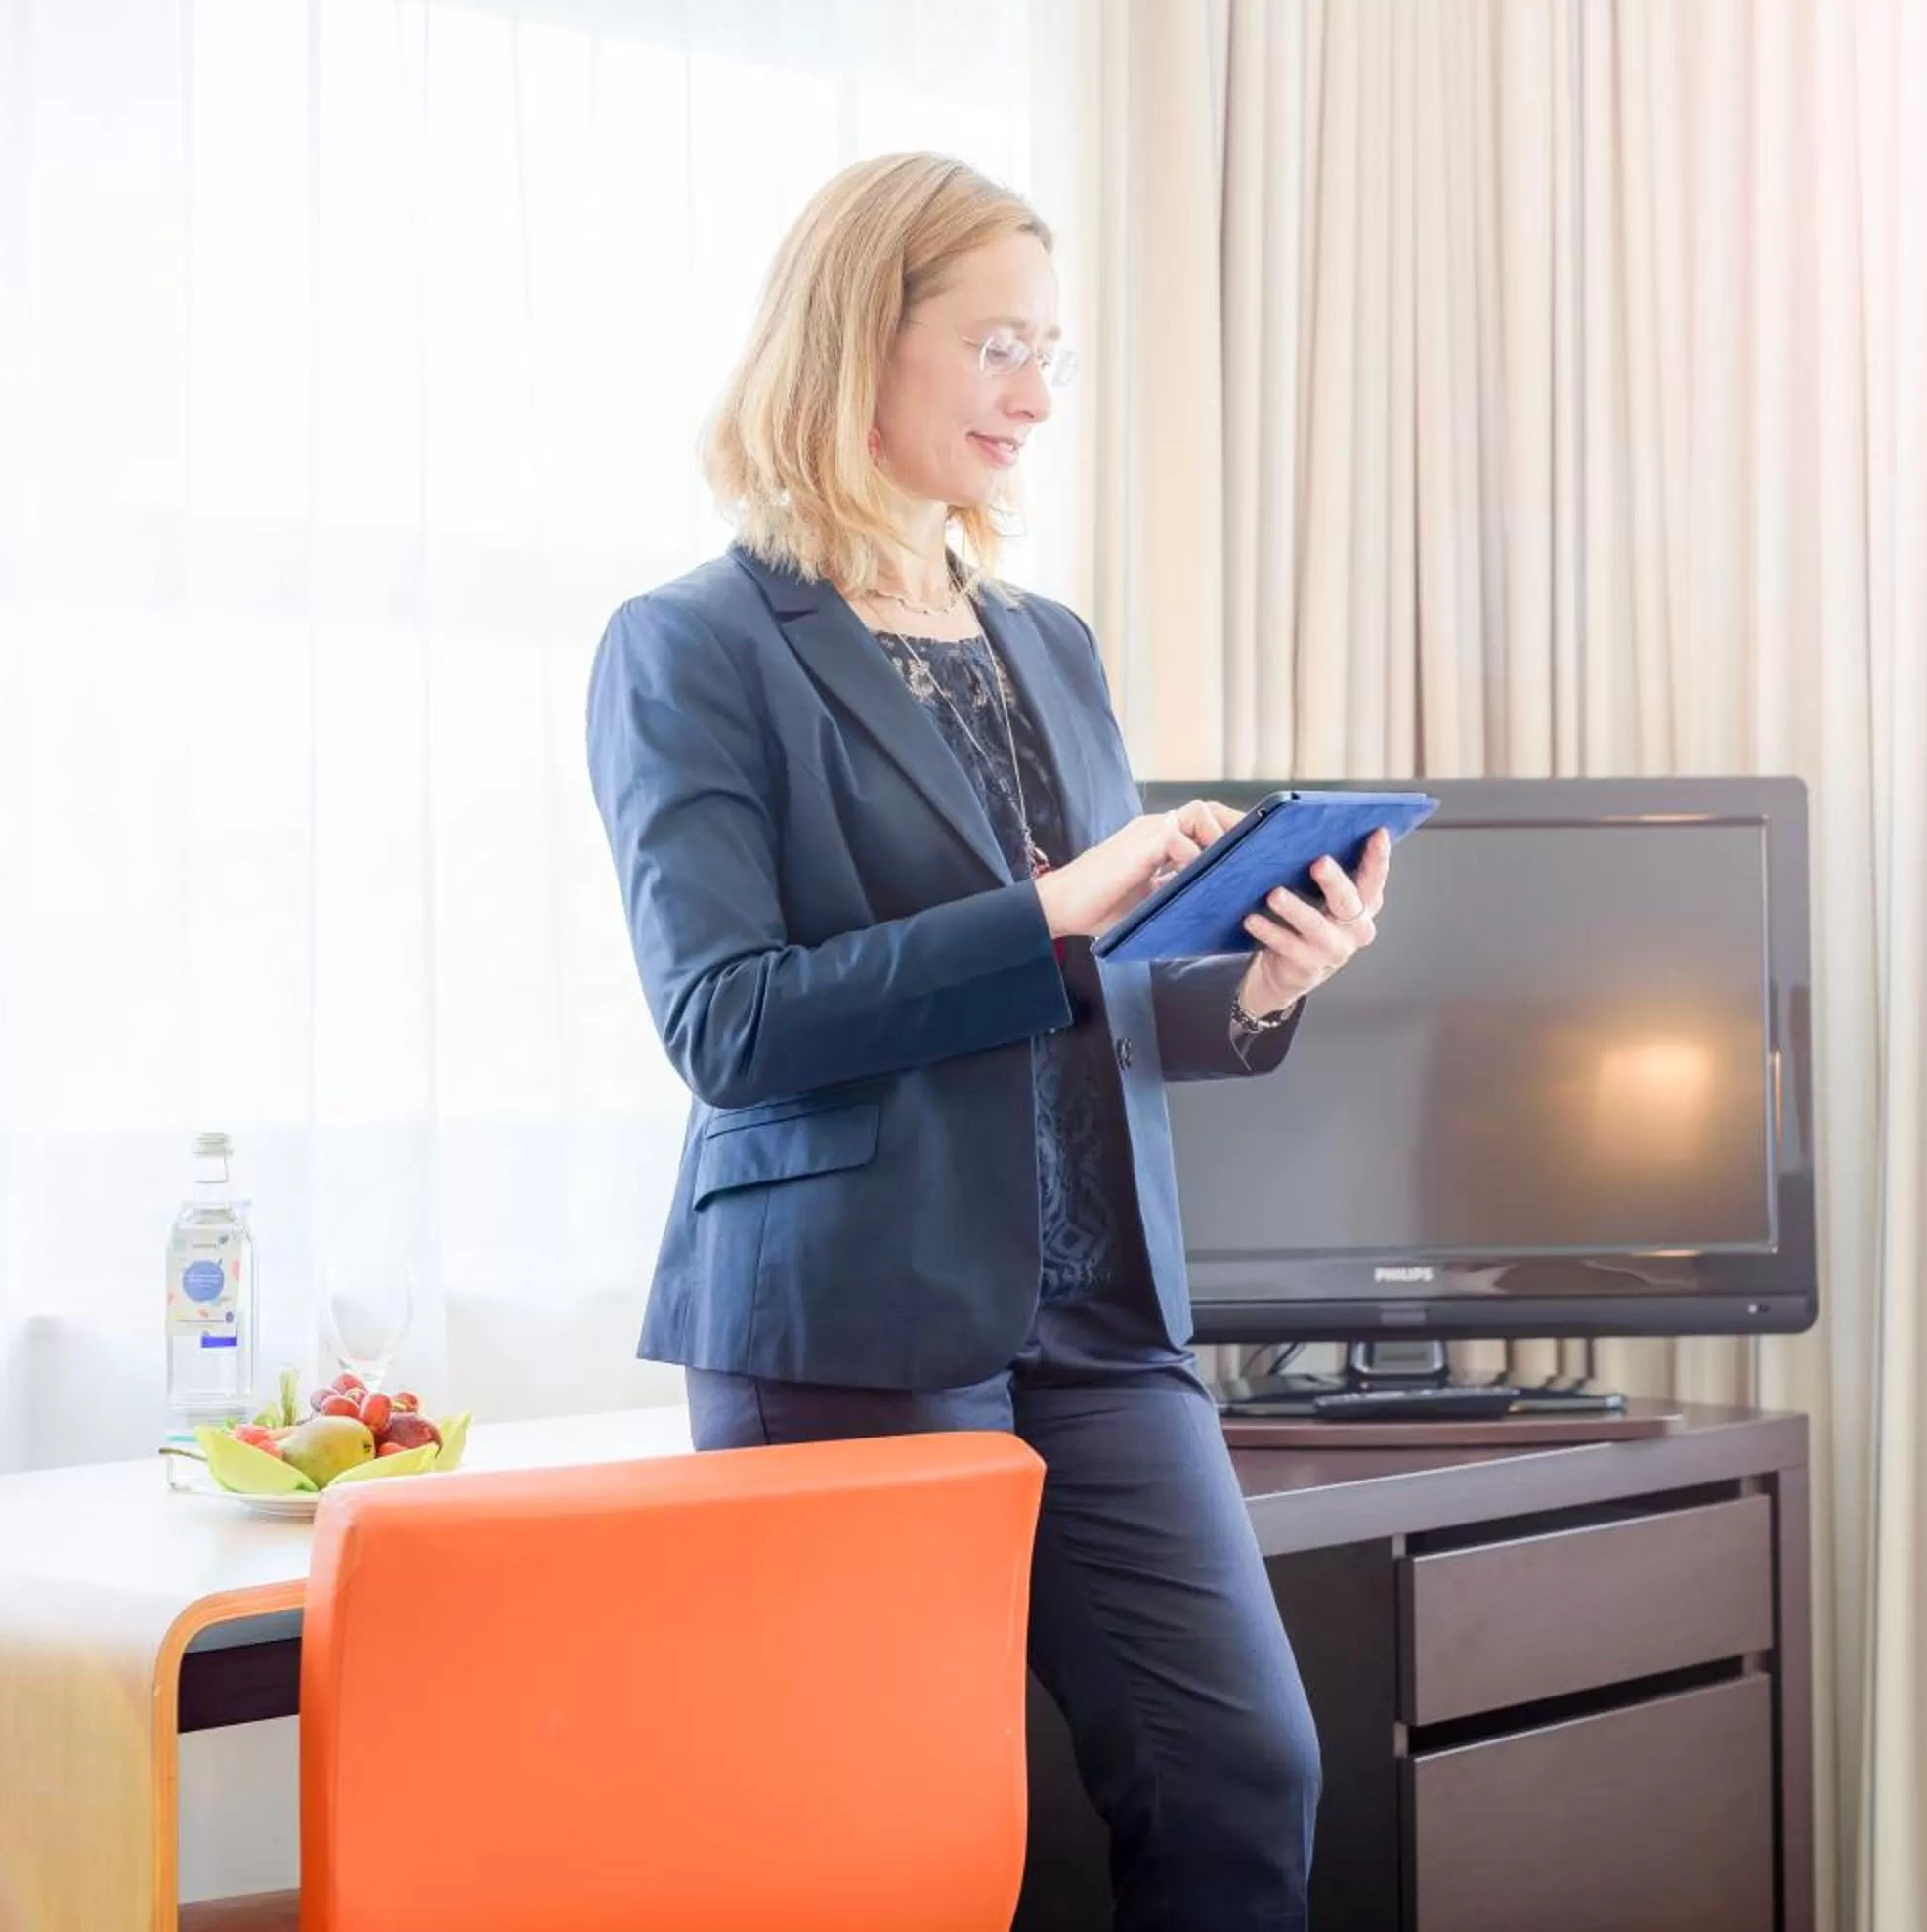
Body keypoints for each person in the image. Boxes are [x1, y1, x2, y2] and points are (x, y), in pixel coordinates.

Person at [585, 152, 1396, 1932]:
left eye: (1057, 354)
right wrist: (1047, 906)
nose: (1037, 394)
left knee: (1246, 1771)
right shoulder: (693, 647)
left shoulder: (1052, 642)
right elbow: (726, 1020)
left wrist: (1258, 982)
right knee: (911, 1842)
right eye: (999, 345)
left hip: (1103, 1320)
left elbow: (1090, 999)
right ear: (857, 344)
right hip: (849, 1330)